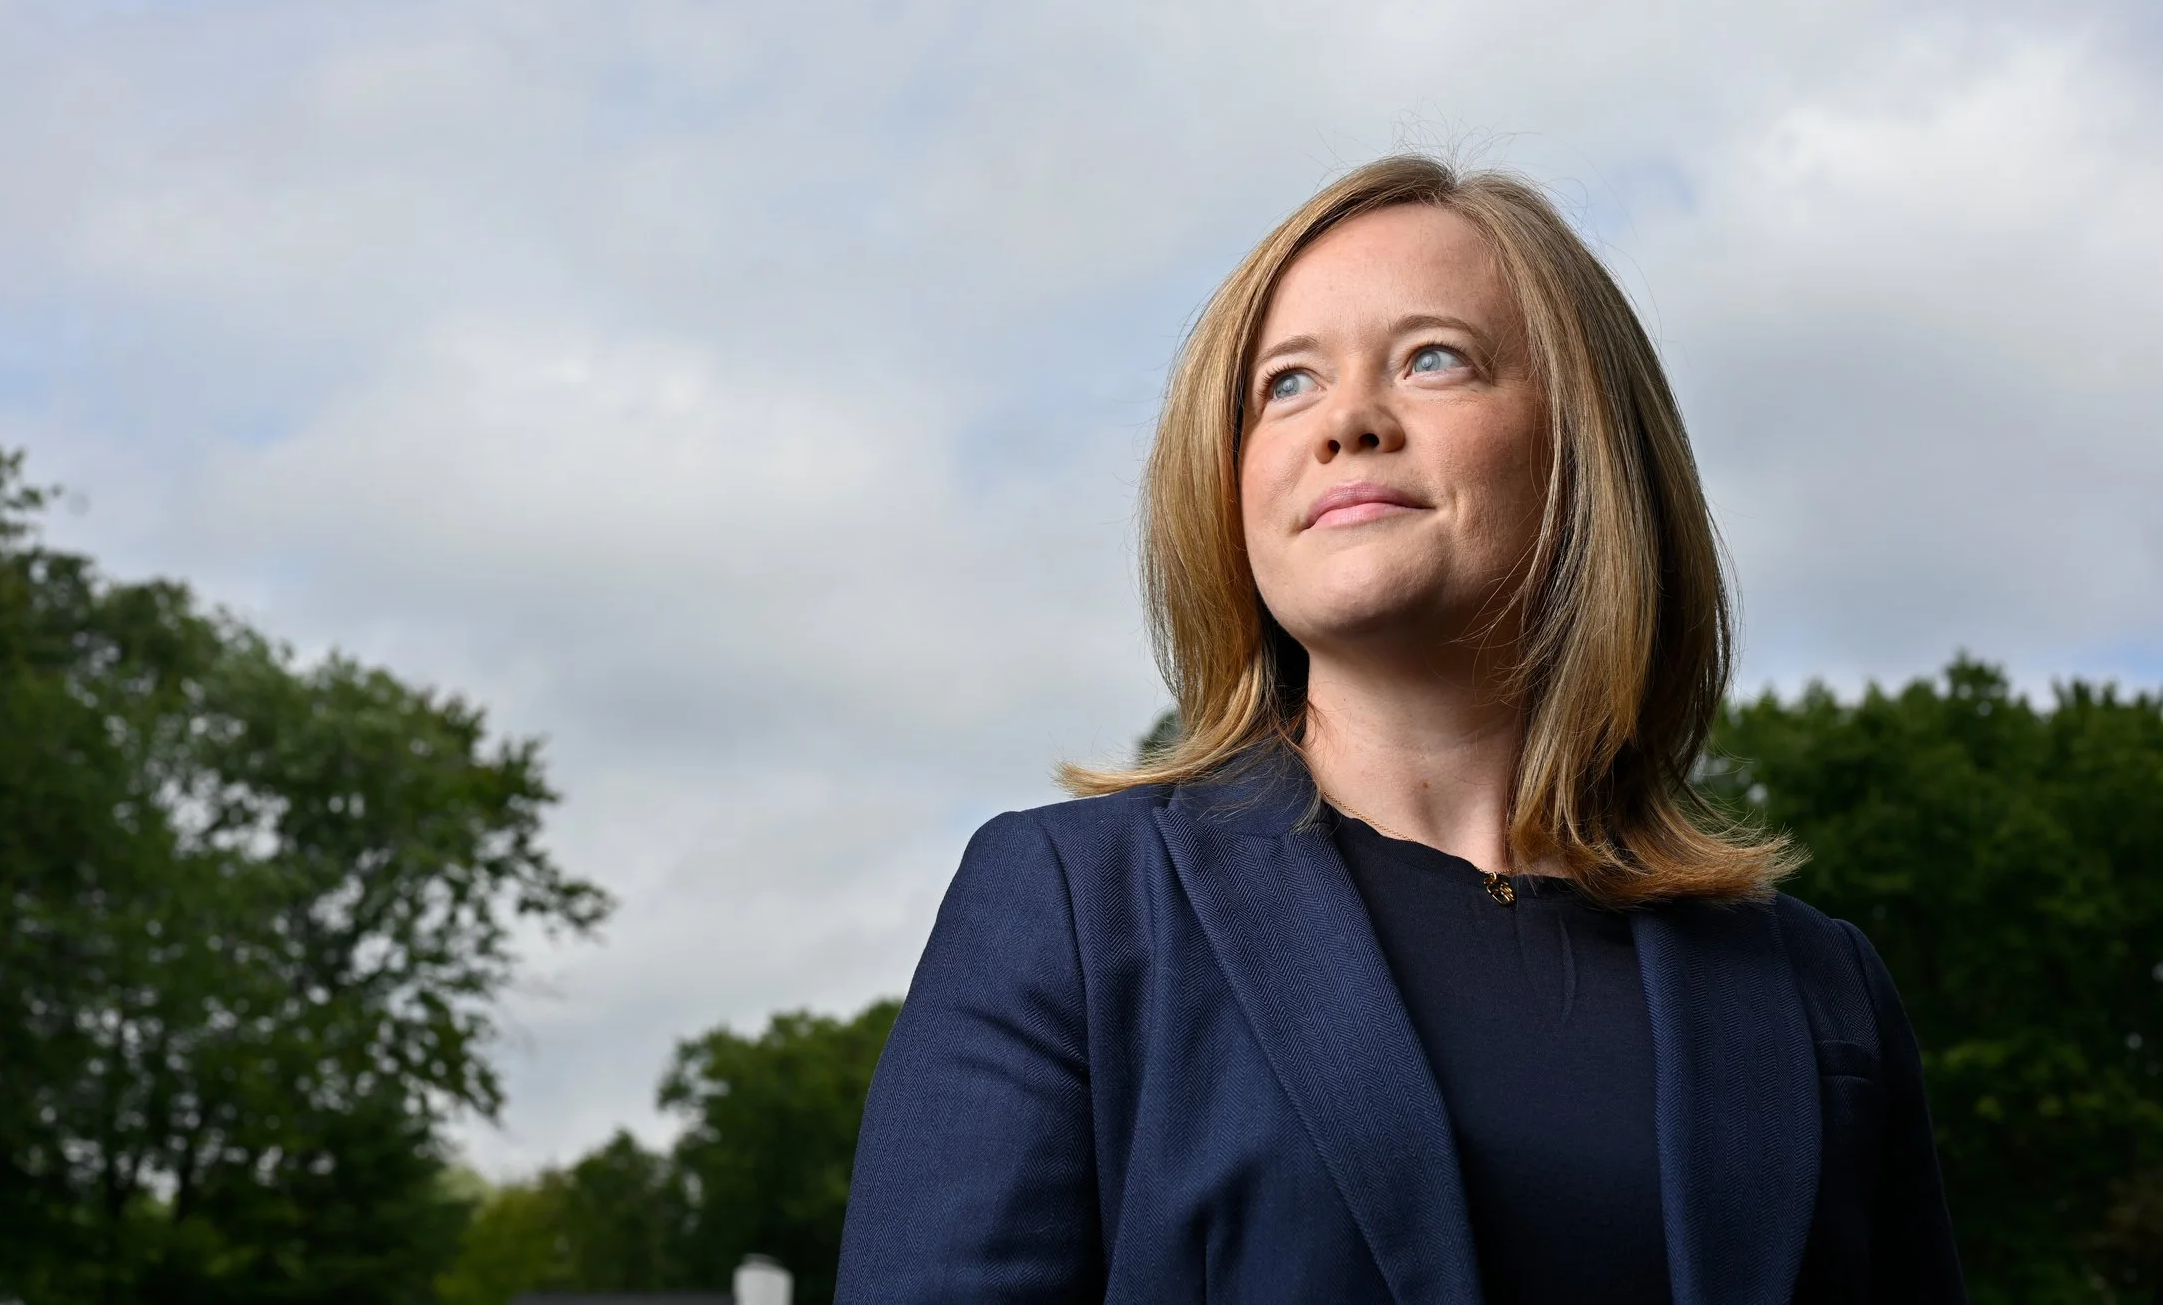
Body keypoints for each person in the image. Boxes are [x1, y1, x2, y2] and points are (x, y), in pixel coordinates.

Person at [835, 157, 1965, 1304]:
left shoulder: (1820, 991)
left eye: (1433, 357)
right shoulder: (1072, 911)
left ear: (1584, 442)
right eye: (1285, 383)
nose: (1347, 422)